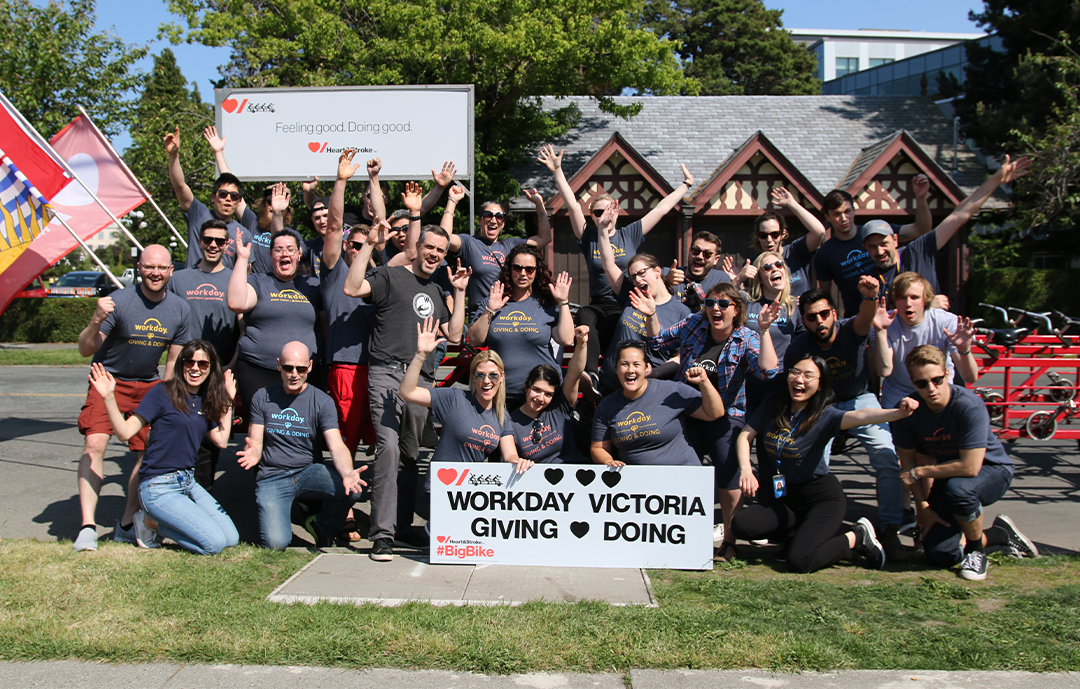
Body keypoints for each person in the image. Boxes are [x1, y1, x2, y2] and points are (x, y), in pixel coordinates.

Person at [344, 220, 469, 562]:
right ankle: (382, 535)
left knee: (411, 454)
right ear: (417, 248)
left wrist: (458, 293)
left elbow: (455, 335)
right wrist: (370, 243)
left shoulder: (436, 291)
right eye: (429, 247)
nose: (434, 255)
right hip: (385, 373)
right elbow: (352, 288)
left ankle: (400, 527)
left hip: (420, 380)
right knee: (387, 450)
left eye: (441, 251)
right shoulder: (389, 276)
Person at [732, 353, 919, 572]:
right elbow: (745, 435)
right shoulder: (773, 403)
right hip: (785, 498)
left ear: (820, 385)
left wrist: (898, 412)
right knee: (742, 525)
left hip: (821, 499)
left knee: (799, 561)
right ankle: (799, 536)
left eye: (808, 376)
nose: (799, 380)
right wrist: (746, 469)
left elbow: (862, 416)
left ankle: (856, 538)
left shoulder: (825, 416)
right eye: (795, 372)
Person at [540, 143, 694, 396]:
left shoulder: (630, 234)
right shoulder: (589, 235)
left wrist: (685, 186)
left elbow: (661, 209)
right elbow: (572, 205)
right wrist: (558, 172)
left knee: (625, 328)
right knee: (586, 317)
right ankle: (592, 376)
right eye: (597, 212)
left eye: (607, 210)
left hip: (629, 301)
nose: (602, 216)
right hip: (601, 302)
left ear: (616, 211)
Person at [642, 282, 781, 561]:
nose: (715, 309)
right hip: (688, 411)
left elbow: (769, 372)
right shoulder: (695, 324)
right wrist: (651, 315)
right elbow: (658, 341)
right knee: (679, 469)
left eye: (723, 304)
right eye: (710, 304)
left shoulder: (746, 338)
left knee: (728, 471)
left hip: (727, 415)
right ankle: (676, 536)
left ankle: (729, 539)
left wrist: (764, 331)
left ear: (736, 309)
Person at [73, 245, 192, 552]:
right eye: (149, 267)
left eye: (161, 268)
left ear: (170, 271)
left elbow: (172, 363)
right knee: (94, 444)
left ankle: (127, 523)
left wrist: (169, 402)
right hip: (108, 380)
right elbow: (86, 348)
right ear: (139, 268)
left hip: (148, 385)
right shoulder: (119, 302)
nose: (155, 273)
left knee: (146, 454)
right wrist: (96, 320)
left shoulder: (179, 309)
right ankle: (87, 526)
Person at [786, 281, 908, 562]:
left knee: (886, 455)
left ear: (833, 313)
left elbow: (867, 315)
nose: (820, 321)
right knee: (811, 464)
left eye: (824, 313)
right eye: (812, 317)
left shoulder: (851, 330)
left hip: (859, 398)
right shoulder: (799, 347)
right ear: (803, 320)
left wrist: (869, 295)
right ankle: (814, 524)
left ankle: (889, 526)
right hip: (820, 404)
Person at [895, 345, 1039, 581]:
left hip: (992, 470)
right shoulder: (909, 410)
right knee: (939, 554)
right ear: (913, 383)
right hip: (949, 476)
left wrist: (921, 472)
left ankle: (976, 552)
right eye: (922, 383)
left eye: (937, 380)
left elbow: (970, 468)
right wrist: (923, 507)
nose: (931, 388)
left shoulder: (968, 405)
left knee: (959, 490)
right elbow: (907, 463)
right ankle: (999, 535)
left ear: (947, 375)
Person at [87, 341, 239, 555]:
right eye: (190, 362)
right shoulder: (162, 393)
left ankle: (154, 522)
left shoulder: (205, 400)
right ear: (182, 364)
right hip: (158, 486)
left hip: (188, 482)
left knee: (231, 539)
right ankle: (150, 523)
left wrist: (228, 400)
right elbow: (124, 432)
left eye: (203, 364)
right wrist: (108, 397)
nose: (195, 368)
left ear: (211, 368)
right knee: (213, 545)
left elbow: (222, 440)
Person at [236, 341, 367, 550]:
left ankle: (321, 525)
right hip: (273, 475)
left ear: (310, 367)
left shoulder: (322, 400)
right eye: (288, 367)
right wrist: (253, 453)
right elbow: (256, 441)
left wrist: (347, 472)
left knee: (353, 490)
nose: (294, 374)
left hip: (307, 471)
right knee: (276, 544)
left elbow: (336, 445)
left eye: (301, 368)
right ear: (278, 365)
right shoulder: (263, 396)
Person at [861, 155, 1031, 307]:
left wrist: (995, 180)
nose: (880, 251)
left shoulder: (919, 250)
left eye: (884, 244)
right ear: (866, 249)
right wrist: (928, 306)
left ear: (896, 240)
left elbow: (960, 214)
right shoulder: (870, 280)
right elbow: (877, 322)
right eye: (872, 247)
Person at [167, 219, 240, 490]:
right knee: (180, 431)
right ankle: (174, 493)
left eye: (219, 241)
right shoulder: (178, 280)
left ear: (227, 244)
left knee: (210, 440)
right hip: (185, 371)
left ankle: (201, 493)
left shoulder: (236, 278)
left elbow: (243, 328)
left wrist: (230, 365)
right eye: (208, 240)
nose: (213, 245)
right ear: (199, 241)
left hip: (220, 371)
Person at [226, 228, 323, 425]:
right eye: (278, 250)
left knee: (300, 427)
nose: (284, 254)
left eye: (289, 249)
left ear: (298, 254)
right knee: (263, 428)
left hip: (302, 372)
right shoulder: (259, 281)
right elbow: (236, 303)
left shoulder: (313, 286)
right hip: (258, 368)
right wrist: (242, 259)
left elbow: (325, 327)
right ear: (271, 255)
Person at [467, 243, 574, 409]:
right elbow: (474, 341)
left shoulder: (546, 304)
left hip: (541, 395)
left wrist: (562, 302)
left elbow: (566, 339)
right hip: (501, 396)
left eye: (529, 269)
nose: (523, 273)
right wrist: (490, 310)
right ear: (509, 269)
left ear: (537, 271)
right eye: (517, 268)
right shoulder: (493, 300)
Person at [596, 207, 690, 392]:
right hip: (612, 383)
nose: (637, 280)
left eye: (642, 273)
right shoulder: (630, 294)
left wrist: (654, 373)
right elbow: (608, 264)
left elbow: (680, 356)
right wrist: (602, 229)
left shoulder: (681, 312)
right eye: (633, 276)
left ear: (657, 271)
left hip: (647, 388)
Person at [591, 341, 723, 467]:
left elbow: (714, 413)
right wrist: (608, 461)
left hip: (683, 477)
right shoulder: (607, 405)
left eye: (636, 364)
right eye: (624, 364)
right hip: (638, 484)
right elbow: (598, 448)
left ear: (647, 368)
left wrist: (704, 382)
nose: (630, 370)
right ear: (616, 369)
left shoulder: (672, 390)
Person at [815, 174, 931, 317]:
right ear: (827, 216)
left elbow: (921, 229)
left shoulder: (875, 232)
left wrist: (921, 198)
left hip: (893, 313)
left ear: (854, 210)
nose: (843, 219)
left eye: (847, 211)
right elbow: (824, 295)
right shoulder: (824, 253)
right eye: (837, 214)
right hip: (857, 318)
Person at [438, 185, 552, 318]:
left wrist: (538, 203)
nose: (493, 220)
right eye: (488, 215)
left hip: (510, 316)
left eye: (499, 217)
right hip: (481, 315)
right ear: (480, 220)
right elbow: (443, 238)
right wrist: (452, 201)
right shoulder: (469, 243)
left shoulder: (510, 245)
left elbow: (545, 238)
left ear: (503, 223)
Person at [872, 272, 979, 409]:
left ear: (926, 299)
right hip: (900, 396)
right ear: (894, 301)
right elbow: (884, 371)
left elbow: (971, 377)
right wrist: (880, 331)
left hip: (939, 393)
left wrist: (964, 351)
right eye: (902, 298)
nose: (908, 304)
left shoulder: (946, 321)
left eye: (914, 297)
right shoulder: (884, 322)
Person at [501, 325, 591, 466]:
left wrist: (581, 344)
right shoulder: (511, 422)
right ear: (526, 387)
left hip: (574, 472)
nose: (541, 398)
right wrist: (518, 461)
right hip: (538, 480)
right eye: (536, 390)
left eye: (548, 394)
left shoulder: (559, 408)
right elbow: (510, 455)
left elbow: (575, 373)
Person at [164, 126, 250, 268]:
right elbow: (179, 185)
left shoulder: (244, 234)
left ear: (239, 201)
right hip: (191, 287)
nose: (228, 198)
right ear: (213, 197)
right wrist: (174, 156)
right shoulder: (198, 213)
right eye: (223, 194)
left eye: (234, 196)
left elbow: (245, 273)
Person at [742, 250, 804, 412]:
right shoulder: (747, 302)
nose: (775, 269)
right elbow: (718, 304)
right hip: (746, 381)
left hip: (779, 382)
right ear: (760, 278)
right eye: (767, 267)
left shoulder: (795, 307)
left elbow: (805, 346)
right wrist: (738, 279)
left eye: (779, 265)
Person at [739, 187, 827, 299]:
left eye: (774, 234)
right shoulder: (752, 263)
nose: (769, 240)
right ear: (757, 236)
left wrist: (792, 204)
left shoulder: (795, 251)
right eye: (763, 235)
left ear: (783, 234)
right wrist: (738, 278)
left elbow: (819, 232)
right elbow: (750, 298)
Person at [662, 231, 733, 312]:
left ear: (716, 259)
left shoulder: (721, 279)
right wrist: (666, 281)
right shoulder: (667, 274)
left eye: (707, 254)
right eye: (695, 251)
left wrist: (738, 281)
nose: (700, 257)